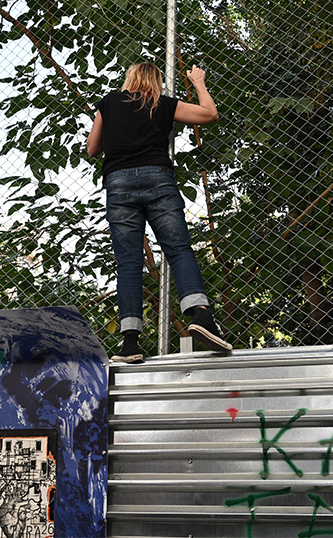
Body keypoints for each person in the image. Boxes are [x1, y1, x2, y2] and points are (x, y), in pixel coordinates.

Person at [87, 61, 232, 362]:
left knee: (128, 263)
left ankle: (130, 344)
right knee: (178, 249)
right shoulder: (162, 104)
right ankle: (201, 316)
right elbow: (209, 114)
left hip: (119, 180)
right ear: (156, 82)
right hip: (158, 177)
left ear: (130, 79)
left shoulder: (110, 102)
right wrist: (198, 81)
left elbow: (91, 148)